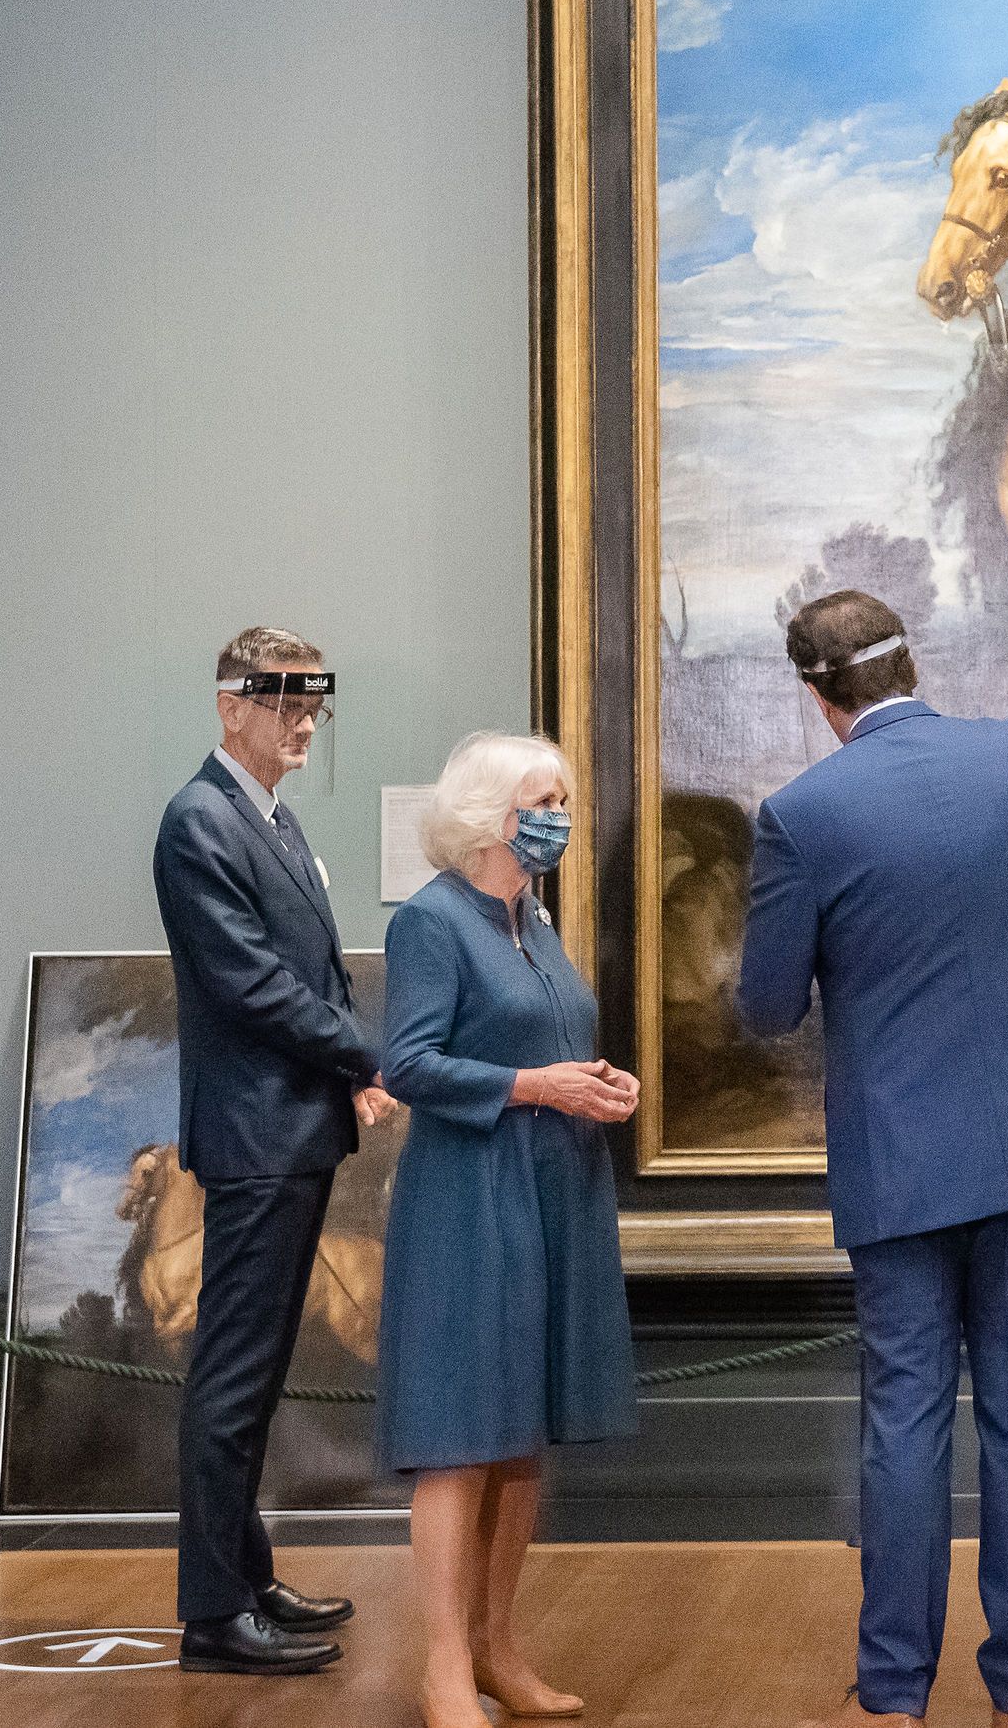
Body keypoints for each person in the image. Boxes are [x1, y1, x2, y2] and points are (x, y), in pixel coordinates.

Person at [738, 591, 1008, 1728]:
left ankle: (894, 1697)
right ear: (910, 664)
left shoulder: (800, 812)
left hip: (900, 1155)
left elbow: (769, 1008)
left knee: (906, 1417)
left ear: (819, 698)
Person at [378, 730, 640, 1728]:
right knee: (461, 1440)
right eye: (544, 797)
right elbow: (408, 1065)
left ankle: (498, 1646)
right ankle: (445, 1662)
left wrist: (600, 1082)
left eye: (565, 796)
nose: (560, 814)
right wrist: (535, 1086)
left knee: (522, 1441)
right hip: (468, 1197)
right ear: (491, 813)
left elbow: (554, 1039)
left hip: (557, 1189)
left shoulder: (535, 918)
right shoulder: (434, 922)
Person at [153, 627, 395, 1677]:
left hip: (287, 1131)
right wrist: (367, 1054)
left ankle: (245, 1576)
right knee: (231, 1381)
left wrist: (347, 1063)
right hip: (257, 1138)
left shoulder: (269, 820)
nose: (304, 721)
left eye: (314, 703)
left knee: (250, 1383)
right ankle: (213, 1612)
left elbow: (314, 973)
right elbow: (253, 985)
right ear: (228, 704)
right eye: (284, 700)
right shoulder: (199, 823)